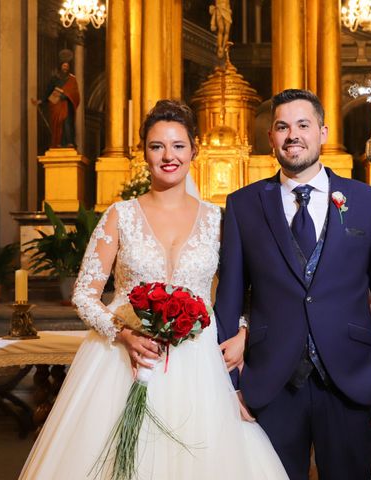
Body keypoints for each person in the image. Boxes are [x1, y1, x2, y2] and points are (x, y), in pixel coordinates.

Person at [19, 100, 288, 480]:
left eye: (178, 146)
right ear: (144, 151)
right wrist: (123, 334)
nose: (168, 156)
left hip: (198, 360)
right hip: (124, 358)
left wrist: (244, 330)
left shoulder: (218, 219)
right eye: (157, 146)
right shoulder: (120, 215)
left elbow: (246, 287)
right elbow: (84, 293)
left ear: (194, 150)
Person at [215, 89, 371, 480]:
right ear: (270, 138)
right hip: (271, 382)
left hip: (349, 379)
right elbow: (228, 302)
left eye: (303, 125)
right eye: (282, 127)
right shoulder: (243, 205)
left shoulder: (367, 202)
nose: (293, 135)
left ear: (322, 132)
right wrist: (231, 385)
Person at [41, 60, 80, 148]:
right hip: (56, 106)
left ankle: (69, 142)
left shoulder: (72, 79)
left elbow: (75, 93)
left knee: (67, 123)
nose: (65, 68)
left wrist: (66, 95)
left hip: (67, 106)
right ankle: (58, 142)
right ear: (60, 67)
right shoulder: (55, 79)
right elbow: (48, 92)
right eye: (64, 66)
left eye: (67, 66)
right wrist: (42, 100)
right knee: (58, 124)